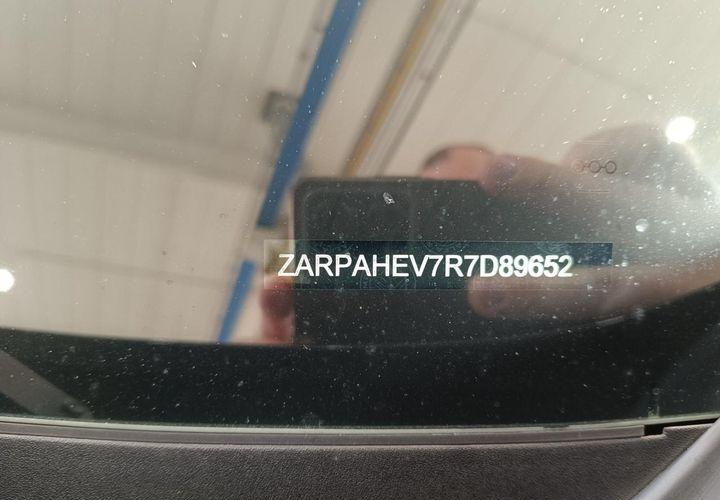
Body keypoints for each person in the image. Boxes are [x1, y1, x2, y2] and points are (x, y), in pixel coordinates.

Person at [261, 124, 720, 342]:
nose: (458, 241)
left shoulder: (571, 293)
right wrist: (295, 376)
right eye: (437, 216)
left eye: (477, 209)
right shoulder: (377, 331)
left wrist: (696, 263)